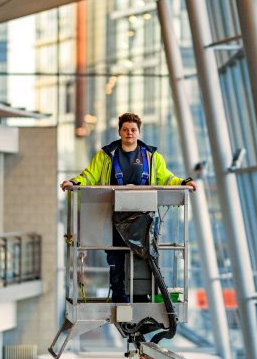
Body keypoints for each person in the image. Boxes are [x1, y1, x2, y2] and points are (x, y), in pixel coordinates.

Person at [61, 113, 197, 302]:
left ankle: (141, 296)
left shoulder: (151, 156)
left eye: (133, 130)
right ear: (119, 132)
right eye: (125, 130)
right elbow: (89, 175)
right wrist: (74, 182)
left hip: (144, 216)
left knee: (143, 255)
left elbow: (166, 177)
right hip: (114, 215)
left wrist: (183, 183)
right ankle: (119, 295)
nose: (129, 133)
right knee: (116, 256)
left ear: (139, 132)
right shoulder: (107, 154)